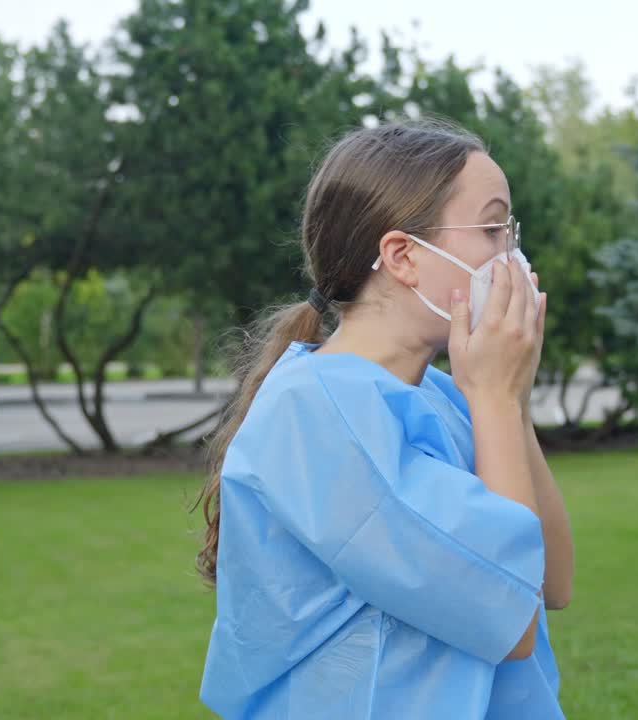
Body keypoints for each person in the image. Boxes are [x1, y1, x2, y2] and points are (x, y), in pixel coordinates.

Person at [196, 119, 575, 720]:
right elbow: (508, 621)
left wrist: (511, 401)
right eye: (492, 229)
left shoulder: (448, 395)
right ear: (402, 256)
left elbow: (552, 582)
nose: (512, 256)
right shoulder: (315, 413)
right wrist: (497, 401)